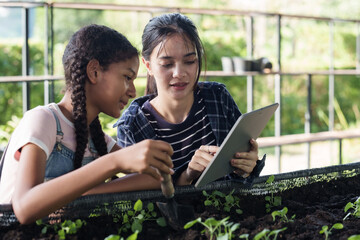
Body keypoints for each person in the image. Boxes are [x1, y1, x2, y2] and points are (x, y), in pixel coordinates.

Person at [0, 24, 174, 224]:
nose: (133, 91)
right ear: (94, 72)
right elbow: (24, 208)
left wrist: (85, 193)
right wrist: (113, 163)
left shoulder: (98, 139)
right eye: (127, 77)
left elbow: (154, 177)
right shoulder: (44, 120)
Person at [115, 13, 265, 186]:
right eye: (167, 64)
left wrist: (247, 166)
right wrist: (187, 176)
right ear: (148, 66)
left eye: (190, 61)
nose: (179, 73)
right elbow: (146, 202)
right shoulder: (131, 127)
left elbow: (244, 177)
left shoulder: (218, 97)